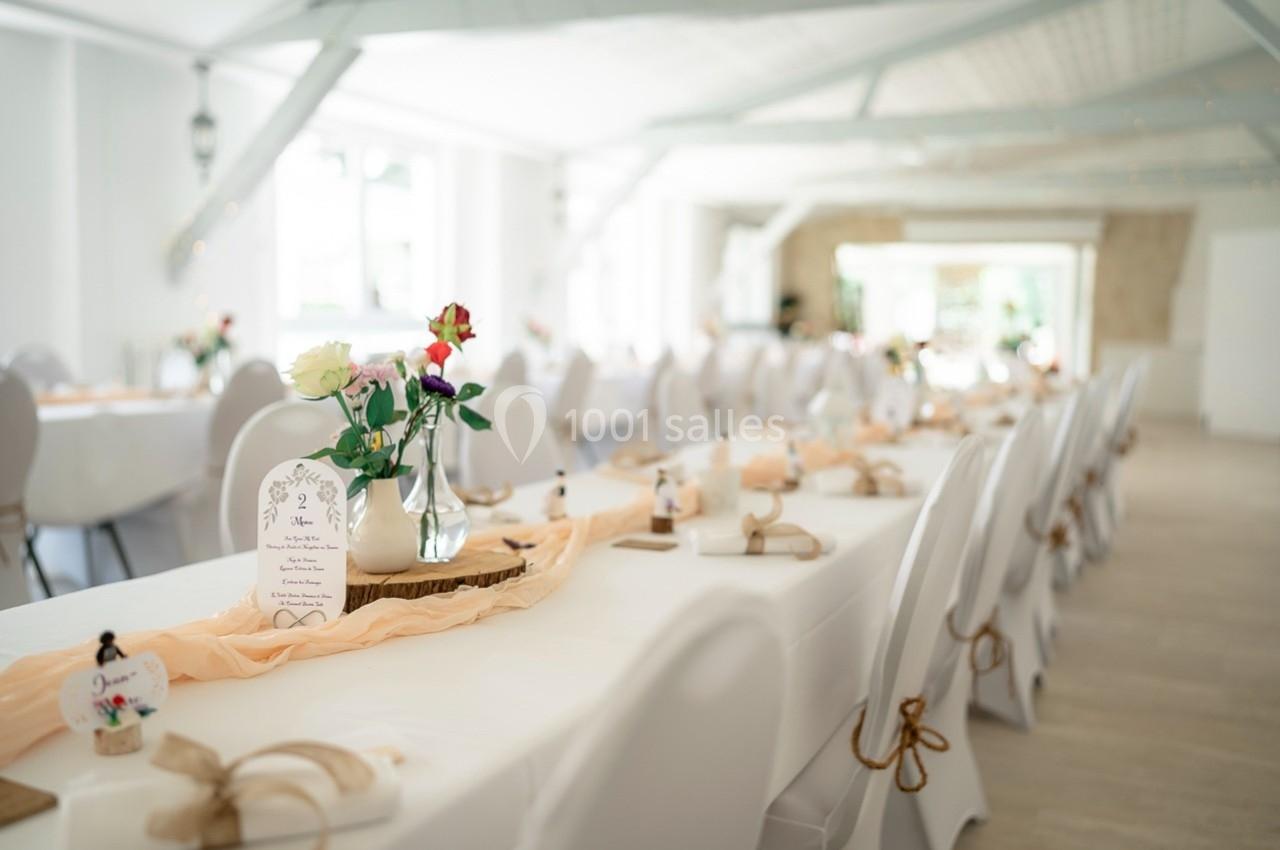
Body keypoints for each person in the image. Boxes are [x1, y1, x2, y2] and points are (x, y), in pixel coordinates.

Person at [651, 468, 678, 534]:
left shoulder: (669, 480)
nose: (660, 475)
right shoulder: (657, 480)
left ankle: (668, 528)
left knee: (668, 513)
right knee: (660, 513)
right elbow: (655, 489)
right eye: (659, 473)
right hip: (659, 500)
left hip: (667, 499)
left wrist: (671, 500)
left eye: (662, 473)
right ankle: (661, 528)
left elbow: (672, 490)